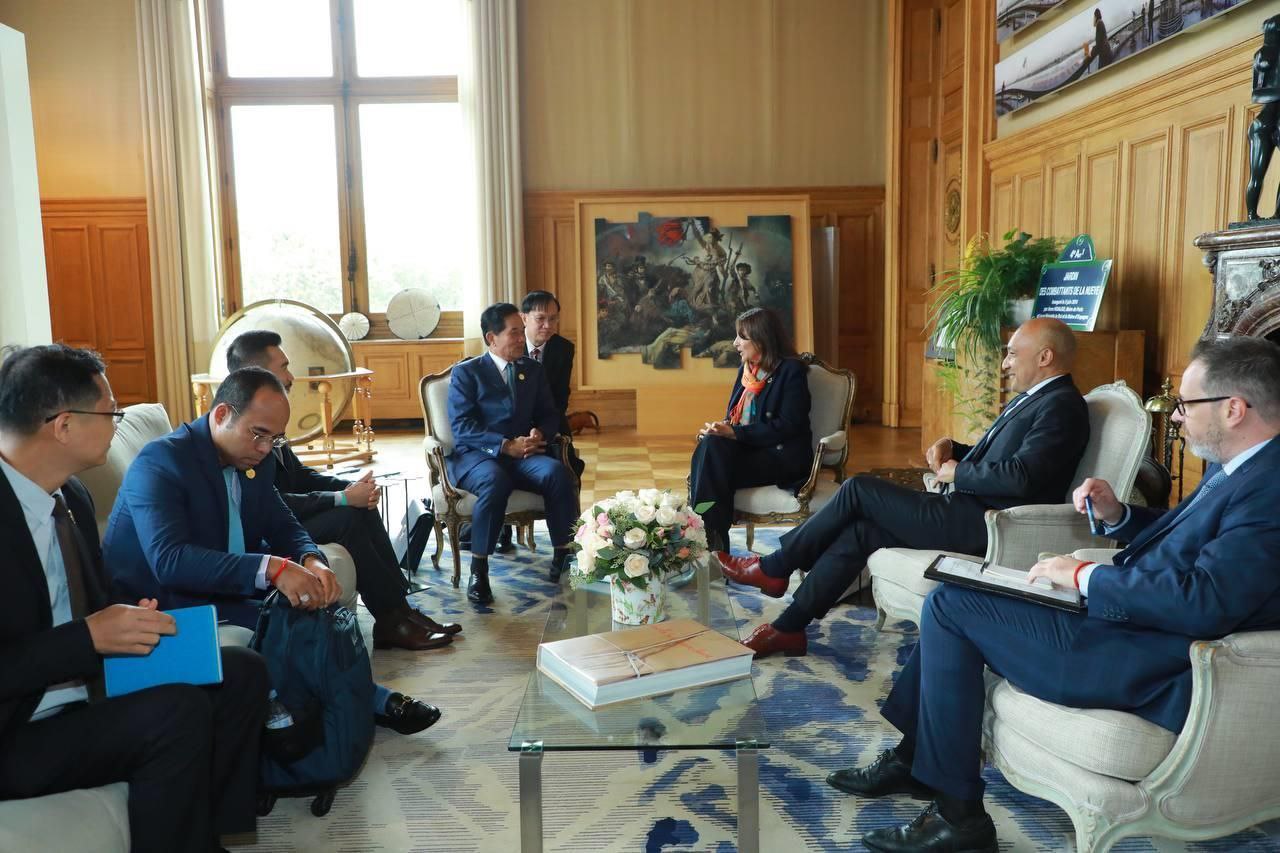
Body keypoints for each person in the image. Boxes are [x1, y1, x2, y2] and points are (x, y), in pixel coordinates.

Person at [835, 336, 1280, 853]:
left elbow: (1205, 602)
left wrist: (1085, 576)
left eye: (1185, 404)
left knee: (951, 607)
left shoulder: (1269, 488)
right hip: (1127, 625)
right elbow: (1186, 540)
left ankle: (957, 815)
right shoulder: (1242, 466)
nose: (1177, 416)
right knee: (960, 588)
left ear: (1233, 409)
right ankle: (918, 761)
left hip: (1147, 660)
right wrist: (1119, 515)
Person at [0, 344, 268, 853]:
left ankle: (212, 835)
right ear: (64, 425)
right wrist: (88, 638)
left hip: (82, 689)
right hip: (16, 728)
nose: (117, 424)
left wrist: (127, 622)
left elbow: (93, 604)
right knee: (176, 713)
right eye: (111, 412)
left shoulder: (72, 497)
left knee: (240, 671)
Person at [719, 317, 1090, 658]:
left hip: (986, 523)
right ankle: (788, 628)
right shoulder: (1037, 399)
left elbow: (1024, 477)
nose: (1005, 364)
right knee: (862, 531)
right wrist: (954, 448)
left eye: (1012, 354)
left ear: (1045, 357)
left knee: (859, 489)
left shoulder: (1062, 406)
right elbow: (1001, 457)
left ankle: (775, 566)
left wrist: (959, 473)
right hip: (966, 510)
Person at [103, 367, 440, 736]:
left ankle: (350, 703)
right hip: (164, 603)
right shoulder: (161, 461)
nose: (265, 449)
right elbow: (170, 562)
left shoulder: (253, 461)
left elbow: (281, 523)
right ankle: (373, 700)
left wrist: (312, 560)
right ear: (221, 415)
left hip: (222, 588)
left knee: (315, 611)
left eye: (275, 439)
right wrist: (273, 568)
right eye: (258, 434)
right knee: (296, 625)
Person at [224, 330, 460, 648]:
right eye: (284, 367)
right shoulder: (244, 430)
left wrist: (349, 487)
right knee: (347, 517)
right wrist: (342, 498)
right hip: (267, 531)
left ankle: (400, 613)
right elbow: (274, 502)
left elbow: (299, 475)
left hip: (289, 517)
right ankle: (392, 621)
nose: (291, 376)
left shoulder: (269, 417)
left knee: (359, 508)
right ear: (256, 374)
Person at [447, 303, 579, 601]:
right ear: (491, 338)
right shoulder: (467, 373)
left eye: (522, 332)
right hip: (478, 456)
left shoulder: (531, 370)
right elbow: (462, 427)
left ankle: (563, 555)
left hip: (523, 456)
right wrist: (505, 445)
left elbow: (550, 413)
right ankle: (479, 569)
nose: (522, 339)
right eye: (514, 333)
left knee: (557, 473)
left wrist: (540, 433)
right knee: (495, 481)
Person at [688, 307, 812, 553]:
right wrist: (720, 429)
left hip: (779, 458)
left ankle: (706, 540)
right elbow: (732, 418)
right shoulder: (746, 371)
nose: (735, 343)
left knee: (711, 463)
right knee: (710, 445)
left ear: (761, 339)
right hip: (749, 452)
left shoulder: (791, 371)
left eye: (741, 337)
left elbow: (789, 425)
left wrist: (734, 434)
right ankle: (711, 539)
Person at [521, 290, 585, 477]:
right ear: (524, 318)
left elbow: (560, 397)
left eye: (553, 319)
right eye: (540, 318)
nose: (548, 326)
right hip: (516, 421)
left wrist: (543, 430)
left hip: (550, 418)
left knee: (570, 465)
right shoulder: (511, 344)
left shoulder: (563, 348)